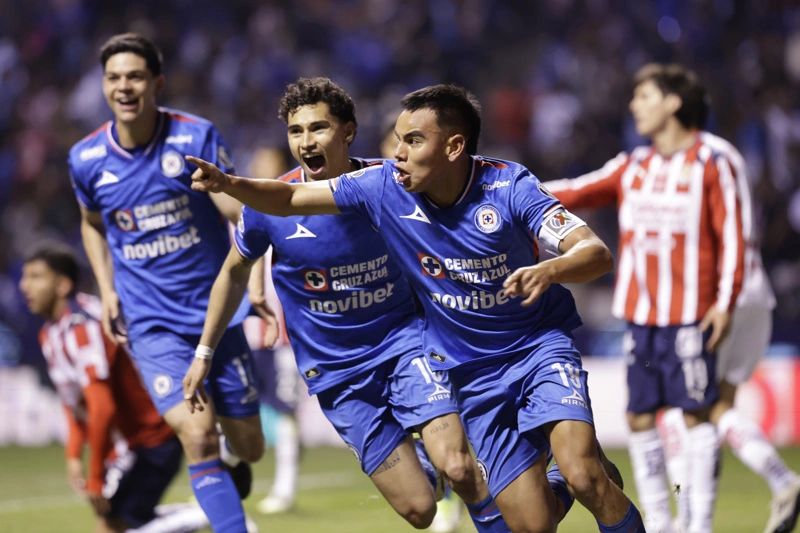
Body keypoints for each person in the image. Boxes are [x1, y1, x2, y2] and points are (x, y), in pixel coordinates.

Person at [185, 83, 645, 533]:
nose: (397, 153)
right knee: (496, 519)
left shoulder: (507, 185)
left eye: (412, 141)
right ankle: (559, 477)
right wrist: (230, 185)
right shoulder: (380, 187)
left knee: (546, 473)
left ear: (453, 147)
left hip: (496, 347)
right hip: (424, 374)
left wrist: (550, 269)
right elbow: (283, 204)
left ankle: (577, 472)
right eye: (397, 140)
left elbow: (596, 252)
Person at [562, 64, 798, 533]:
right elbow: (576, 191)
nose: (634, 105)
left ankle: (697, 524)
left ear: (673, 102)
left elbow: (737, 236)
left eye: (644, 95)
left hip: (696, 311)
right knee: (644, 415)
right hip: (643, 314)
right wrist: (507, 190)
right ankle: (662, 522)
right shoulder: (635, 164)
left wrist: (724, 302)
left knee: (697, 413)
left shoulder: (715, 159)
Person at [68, 33, 264, 533]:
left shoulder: (194, 138)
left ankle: (230, 455)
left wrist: (258, 273)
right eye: (113, 78)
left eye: (134, 76)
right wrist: (107, 290)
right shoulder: (86, 159)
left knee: (250, 447)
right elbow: (92, 224)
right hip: (152, 325)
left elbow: (237, 212)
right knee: (197, 437)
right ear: (104, 86)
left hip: (217, 315)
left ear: (156, 83)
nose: (123, 87)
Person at [19, 244, 211, 533]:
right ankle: (196, 515)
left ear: (62, 285)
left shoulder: (83, 326)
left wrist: (95, 474)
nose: (25, 285)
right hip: (129, 444)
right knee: (111, 524)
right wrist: (73, 456)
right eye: (25, 277)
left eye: (36, 277)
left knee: (113, 526)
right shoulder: (51, 333)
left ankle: (206, 516)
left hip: (152, 438)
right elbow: (73, 402)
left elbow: (102, 407)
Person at [380, 113, 463, 533]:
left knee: (457, 420)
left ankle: (457, 492)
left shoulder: (437, 200)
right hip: (407, 326)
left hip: (445, 322)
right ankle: (443, 487)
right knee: (431, 423)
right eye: (391, 149)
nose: (397, 158)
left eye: (408, 145)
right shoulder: (376, 199)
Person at [243, 147, 304, 515]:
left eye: (267, 162)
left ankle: (285, 488)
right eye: (257, 161)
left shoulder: (296, 211)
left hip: (283, 337)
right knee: (234, 409)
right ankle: (223, 482)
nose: (259, 167)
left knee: (284, 410)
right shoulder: (245, 213)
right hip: (247, 332)